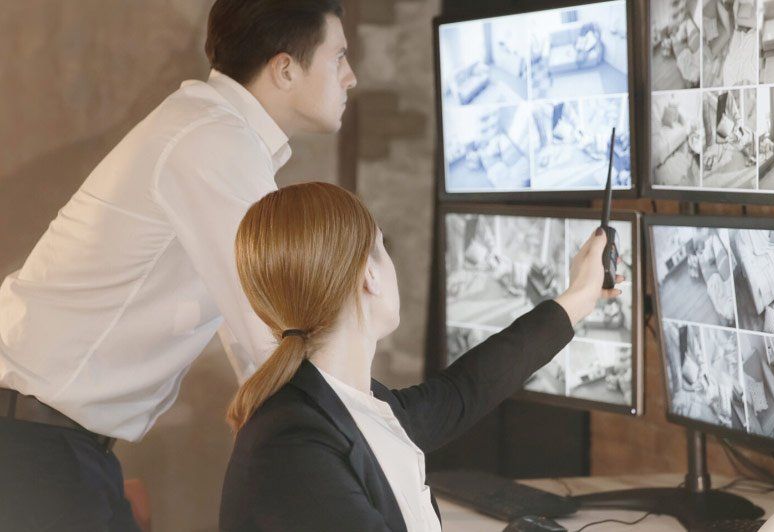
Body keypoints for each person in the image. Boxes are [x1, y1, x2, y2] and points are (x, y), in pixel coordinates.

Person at [0, 1, 355, 529]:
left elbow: (260, 341)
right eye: (339, 57)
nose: (351, 78)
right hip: (37, 443)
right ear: (285, 68)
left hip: (48, 440)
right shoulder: (215, 141)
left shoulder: (213, 130)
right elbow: (271, 332)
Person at [219, 182, 622, 531]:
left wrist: (578, 298)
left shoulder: (351, 407)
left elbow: (464, 390)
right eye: (382, 246)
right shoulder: (293, 447)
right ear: (369, 275)